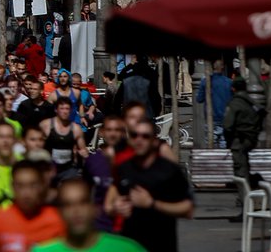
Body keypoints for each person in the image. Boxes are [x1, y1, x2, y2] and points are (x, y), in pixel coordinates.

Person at [104, 117, 193, 252]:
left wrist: (152, 203)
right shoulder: (123, 168)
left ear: (154, 140)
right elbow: (109, 204)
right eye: (134, 135)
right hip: (131, 245)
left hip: (161, 244)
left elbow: (187, 210)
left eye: (145, 136)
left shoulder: (169, 171)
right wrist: (116, 207)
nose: (139, 140)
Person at [35, 176, 147, 252]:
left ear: (94, 208)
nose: (76, 210)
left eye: (82, 202)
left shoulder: (128, 249)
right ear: (59, 213)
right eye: (68, 205)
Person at [0, 160, 63, 252]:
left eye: (32, 185)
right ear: (12, 187)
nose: (26, 193)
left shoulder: (58, 221)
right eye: (20, 186)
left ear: (42, 186)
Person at [222, 77, 262, 202]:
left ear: (233, 89)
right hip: (250, 140)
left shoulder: (235, 104)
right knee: (245, 169)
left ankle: (245, 203)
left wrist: (229, 141)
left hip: (238, 141)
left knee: (240, 173)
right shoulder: (252, 103)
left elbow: (227, 126)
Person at [195, 60, 232, 148]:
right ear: (223, 68)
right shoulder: (229, 82)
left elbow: (199, 99)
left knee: (211, 144)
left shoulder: (206, 81)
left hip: (211, 117)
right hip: (226, 117)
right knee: (224, 143)